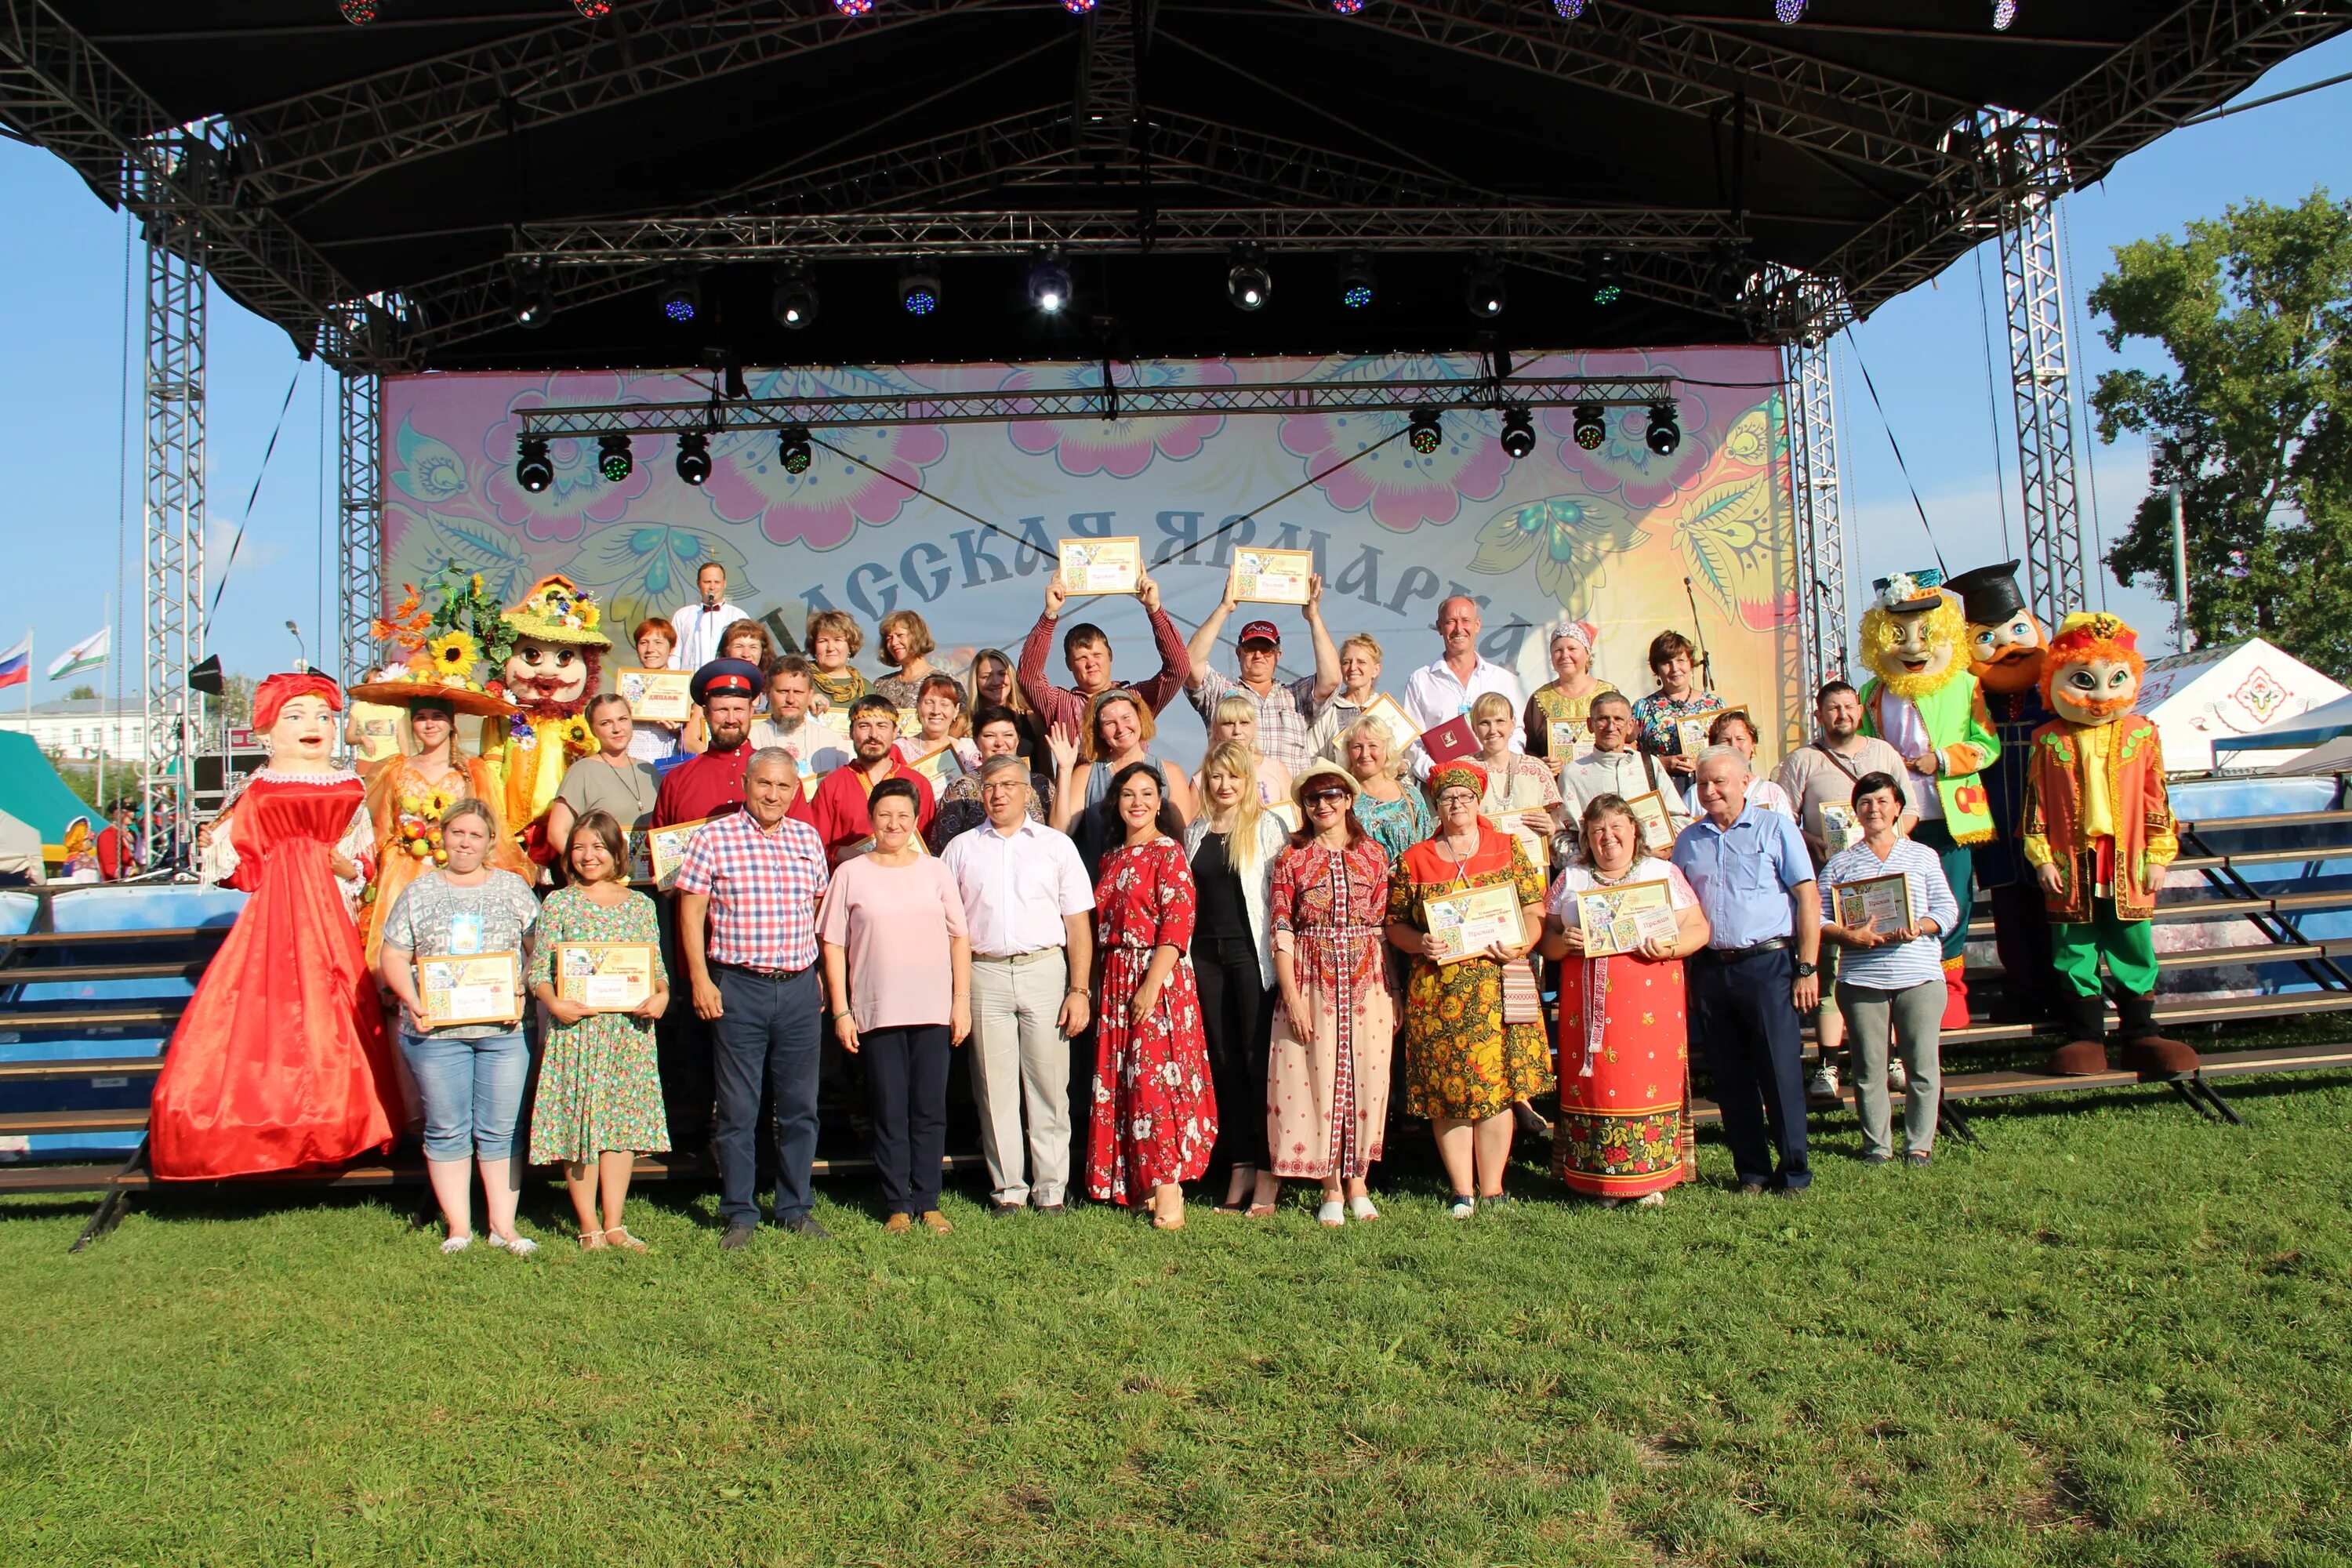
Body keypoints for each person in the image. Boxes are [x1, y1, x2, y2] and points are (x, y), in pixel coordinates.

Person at [149, 673, 397, 1181]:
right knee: (270, 1010)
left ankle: (338, 1122)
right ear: (267, 731)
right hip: (275, 917)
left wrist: (346, 868)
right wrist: (215, 842)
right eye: (296, 715)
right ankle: (266, 1124)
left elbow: (364, 857)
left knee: (335, 1007)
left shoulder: (349, 784)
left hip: (328, 912)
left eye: (323, 716)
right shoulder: (257, 786)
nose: (313, 725)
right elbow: (231, 853)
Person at [672, 748, 835, 1247]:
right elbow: (691, 912)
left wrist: (821, 973)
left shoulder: (807, 838)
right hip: (738, 987)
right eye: (765, 784)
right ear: (746, 783)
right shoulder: (713, 837)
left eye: (784, 787)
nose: (774, 795)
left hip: (799, 987)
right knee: (740, 1108)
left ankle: (794, 1206)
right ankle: (740, 1211)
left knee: (800, 1107)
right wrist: (700, 979)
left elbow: (817, 909)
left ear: (795, 790)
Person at [377, 797, 543, 1254]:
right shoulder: (419, 891)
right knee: (447, 1127)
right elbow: (392, 954)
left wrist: (521, 991)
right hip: (435, 1032)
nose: (466, 842)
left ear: (491, 841)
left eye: (476, 835)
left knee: (501, 1128)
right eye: (458, 833)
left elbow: (539, 948)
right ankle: (458, 1228)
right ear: (443, 838)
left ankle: (503, 1227)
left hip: (504, 1032)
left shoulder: (512, 889)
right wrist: (412, 1000)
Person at [1384, 760, 1548, 1218]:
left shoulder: (1506, 846)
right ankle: (1461, 1189)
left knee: (1497, 1086)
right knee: (1448, 1090)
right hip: (1439, 991)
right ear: (1435, 805)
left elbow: (1534, 908)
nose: (1456, 805)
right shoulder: (1416, 858)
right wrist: (1421, 943)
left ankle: (1492, 1186)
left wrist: (1521, 943)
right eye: (1447, 799)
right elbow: (1394, 923)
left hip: (1497, 981)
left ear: (1478, 801)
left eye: (1464, 797)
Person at [1538, 794, 1711, 1207]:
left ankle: (1651, 1177)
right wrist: (1564, 943)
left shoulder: (1662, 873)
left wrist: (1670, 946)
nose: (1607, 837)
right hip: (1589, 1005)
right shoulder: (1572, 878)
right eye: (1597, 830)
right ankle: (1598, 1179)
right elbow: (1544, 939)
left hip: (1648, 1000)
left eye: (1616, 827)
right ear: (1586, 837)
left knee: (1644, 1082)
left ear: (1635, 830)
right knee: (1596, 1083)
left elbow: (1698, 928)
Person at [940, 754, 1095, 1215]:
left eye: (1009, 785)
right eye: (990, 786)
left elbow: (1078, 925)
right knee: (994, 1086)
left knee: (1049, 1085)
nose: (999, 794)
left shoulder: (1056, 846)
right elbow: (949, 926)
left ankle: (1050, 1190)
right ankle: (1008, 1189)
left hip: (1045, 970)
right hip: (984, 972)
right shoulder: (961, 849)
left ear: (1028, 791)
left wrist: (1079, 989)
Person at [820, 778, 972, 1232]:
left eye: (903, 816)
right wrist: (842, 1009)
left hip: (932, 1009)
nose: (894, 824)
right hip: (877, 1010)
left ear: (914, 821)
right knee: (888, 1108)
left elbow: (959, 937)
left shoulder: (935, 870)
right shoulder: (851, 873)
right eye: (885, 815)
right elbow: (832, 943)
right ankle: (897, 1203)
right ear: (871, 818)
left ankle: (928, 1199)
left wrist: (960, 1001)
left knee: (929, 1107)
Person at [1671, 746, 1822, 1195]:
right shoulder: (1689, 840)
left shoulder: (1775, 827)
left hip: (1768, 964)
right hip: (1713, 970)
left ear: (1744, 781)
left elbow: (1808, 898)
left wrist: (1808, 967)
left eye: (1719, 781)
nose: (1710, 790)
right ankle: (1751, 1171)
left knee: (1779, 1072)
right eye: (1702, 784)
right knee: (1731, 1077)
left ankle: (1794, 1171)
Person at [527, 810, 671, 1248]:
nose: (588, 856)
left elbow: (656, 968)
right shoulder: (559, 903)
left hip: (628, 1033)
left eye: (598, 847)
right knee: (580, 1125)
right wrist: (554, 1004)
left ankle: (615, 1223)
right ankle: (588, 1225)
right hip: (578, 1032)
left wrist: (661, 996)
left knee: (620, 1125)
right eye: (579, 848)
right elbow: (538, 970)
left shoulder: (640, 906)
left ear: (617, 852)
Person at [1086, 762, 1217, 1228]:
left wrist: (1151, 983)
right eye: (1127, 794)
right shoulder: (1111, 857)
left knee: (1155, 1082)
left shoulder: (1168, 853)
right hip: (1117, 975)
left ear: (1160, 801)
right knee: (1124, 1081)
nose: (1137, 802)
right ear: (1116, 803)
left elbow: (1177, 922)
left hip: (1156, 978)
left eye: (1146, 793)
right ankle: (1136, 1181)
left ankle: (1168, 1188)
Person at [1773, 680, 1914, 1096]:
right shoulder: (1802, 760)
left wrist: (1886, 847)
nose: (1842, 715)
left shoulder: (1884, 753)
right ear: (1819, 715)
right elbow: (1783, 820)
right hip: (1831, 880)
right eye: (1833, 708)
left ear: (1859, 710)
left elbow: (1909, 811)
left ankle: (1891, 1058)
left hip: (1882, 879)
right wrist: (1809, 841)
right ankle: (1829, 1066)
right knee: (1832, 972)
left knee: (1884, 966)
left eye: (1849, 707)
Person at [1268, 764, 1395, 1225]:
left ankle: (1358, 1179)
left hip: (1367, 977)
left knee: (1367, 1075)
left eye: (1332, 795)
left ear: (1348, 799)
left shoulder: (1374, 855)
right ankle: (1330, 1186)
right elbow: (1281, 928)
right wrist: (1293, 996)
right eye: (1313, 798)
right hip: (1312, 973)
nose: (1324, 805)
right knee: (1319, 1076)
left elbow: (1381, 926)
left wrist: (1394, 989)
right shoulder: (1291, 858)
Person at [1820, 771, 1959, 1167]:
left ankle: (1919, 1146)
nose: (1874, 809)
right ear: (1856, 811)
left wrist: (1921, 926)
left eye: (1882, 801)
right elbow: (1817, 920)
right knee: (1868, 1069)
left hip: (1918, 974)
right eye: (1866, 802)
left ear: (1898, 807)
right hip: (1863, 978)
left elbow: (1947, 910)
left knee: (1922, 1066)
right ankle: (1877, 1148)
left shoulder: (1921, 855)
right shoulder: (1842, 864)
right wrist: (1848, 935)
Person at [1181, 741, 1288, 1215]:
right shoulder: (1195, 831)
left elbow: (1281, 901)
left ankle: (1269, 1172)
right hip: (1205, 956)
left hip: (1251, 956)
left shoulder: (1267, 828)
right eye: (1216, 777)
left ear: (1248, 782)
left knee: (1255, 1062)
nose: (1224, 786)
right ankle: (1240, 1165)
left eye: (1234, 777)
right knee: (1222, 1061)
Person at [357, 688, 526, 967]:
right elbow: (378, 824)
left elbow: (489, 821)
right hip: (402, 872)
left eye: (437, 716)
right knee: (400, 949)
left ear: (451, 723)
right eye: (421, 717)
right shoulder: (394, 769)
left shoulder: (472, 769)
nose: (429, 724)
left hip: (458, 867)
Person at [1184, 576, 1338, 775]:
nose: (1258, 655)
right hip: (1234, 800)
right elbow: (1190, 664)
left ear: (1277, 656)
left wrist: (1314, 617)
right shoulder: (1221, 692)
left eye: (1266, 650)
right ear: (1239, 653)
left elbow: (1332, 679)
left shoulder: (1296, 694)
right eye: (1250, 649)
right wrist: (1225, 608)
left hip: (1289, 802)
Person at [1018, 564, 1189, 738]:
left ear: (1110, 655)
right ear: (1069, 664)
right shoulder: (1060, 704)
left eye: (1097, 655)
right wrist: (1050, 613)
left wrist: (1154, 608)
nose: (1091, 663)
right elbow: (1028, 678)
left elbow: (1178, 670)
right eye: (1081, 658)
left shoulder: (1137, 698)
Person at [1046, 688, 1196, 876]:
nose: (1120, 728)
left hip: (1155, 890)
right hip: (1100, 890)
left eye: (1126, 717)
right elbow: (1060, 831)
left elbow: (1185, 842)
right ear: (1100, 732)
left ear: (1140, 718)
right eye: (1110, 723)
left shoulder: (1170, 772)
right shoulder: (1085, 774)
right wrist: (1065, 769)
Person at [1400, 596, 1524, 779]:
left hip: (1497, 782)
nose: (1459, 628)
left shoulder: (1502, 680)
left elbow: (1517, 732)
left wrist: (1502, 769)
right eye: (1451, 621)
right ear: (1439, 627)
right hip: (1441, 789)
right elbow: (1413, 742)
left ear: (1477, 625)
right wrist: (1437, 774)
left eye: (1465, 621)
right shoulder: (1420, 680)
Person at [806, 695, 938, 865]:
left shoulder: (918, 784)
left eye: (882, 726)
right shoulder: (833, 785)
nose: (873, 735)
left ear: (895, 732)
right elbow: (814, 847)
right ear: (851, 732)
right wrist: (838, 853)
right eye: (864, 726)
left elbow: (930, 846)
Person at [1558, 691, 1686, 850]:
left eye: (1618, 719)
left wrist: (1665, 849)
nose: (1611, 727)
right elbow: (1563, 835)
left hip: (1650, 863)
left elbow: (1680, 818)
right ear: (1590, 725)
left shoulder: (1649, 765)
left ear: (1630, 725)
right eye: (1603, 719)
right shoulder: (1573, 773)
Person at [546, 693, 659, 869]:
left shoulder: (649, 770)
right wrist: (593, 868)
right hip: (604, 885)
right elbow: (557, 833)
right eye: (606, 723)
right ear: (593, 729)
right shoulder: (582, 771)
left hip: (650, 884)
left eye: (622, 719)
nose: (617, 728)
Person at [652, 659, 765, 829]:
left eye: (739, 710)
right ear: (705, 713)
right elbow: (657, 847)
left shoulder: (777, 774)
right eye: (722, 710)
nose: (731, 720)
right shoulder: (677, 781)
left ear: (751, 712)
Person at [929, 704, 1051, 851]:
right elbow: (943, 848)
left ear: (1018, 739)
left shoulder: (1040, 784)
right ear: (976, 741)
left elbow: (1059, 831)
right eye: (989, 736)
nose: (1000, 743)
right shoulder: (962, 788)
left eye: (1008, 735)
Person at [1341, 717, 1432, 867]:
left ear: (1386, 749)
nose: (1365, 754)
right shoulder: (1342, 799)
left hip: (1410, 886)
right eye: (1357, 746)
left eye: (1373, 746)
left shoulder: (1410, 795)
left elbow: (1428, 846)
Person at [1630, 630, 1723, 778]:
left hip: (1708, 787)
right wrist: (1662, 763)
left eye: (1681, 660)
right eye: (1666, 663)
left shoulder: (1714, 705)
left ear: (1691, 663)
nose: (1674, 668)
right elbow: (1628, 756)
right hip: (1662, 787)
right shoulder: (1643, 708)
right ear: (1656, 669)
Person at [1523, 620, 1617, 764]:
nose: (1564, 655)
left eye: (1572, 649)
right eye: (1558, 650)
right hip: (1557, 782)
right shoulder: (1539, 699)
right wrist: (1542, 763)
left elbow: (1627, 740)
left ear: (1587, 654)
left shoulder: (1609, 693)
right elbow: (1530, 748)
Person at [683, 619, 781, 753]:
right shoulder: (710, 695)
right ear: (726, 651)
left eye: (753, 647)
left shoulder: (774, 690)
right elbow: (687, 741)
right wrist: (718, 761)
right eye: (739, 646)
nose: (746, 654)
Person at [748, 655, 852, 776]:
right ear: (767, 692)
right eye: (783, 691)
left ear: (810, 694)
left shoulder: (832, 742)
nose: (791, 699)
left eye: (798, 692)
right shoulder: (751, 739)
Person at [1682, 710, 1795, 820]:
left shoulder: (1772, 793)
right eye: (1725, 740)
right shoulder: (1697, 794)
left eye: (1740, 739)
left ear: (1752, 745)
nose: (1733, 746)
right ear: (1713, 746)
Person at [1304, 633, 1387, 765]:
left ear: (1376, 670)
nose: (1353, 667)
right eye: (1346, 662)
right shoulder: (1327, 710)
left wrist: (1402, 769)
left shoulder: (1386, 710)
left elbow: (1401, 758)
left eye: (1361, 662)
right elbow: (1310, 756)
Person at [1200, 692, 1294, 809]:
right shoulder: (1204, 776)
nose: (1237, 731)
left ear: (1254, 727)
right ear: (1216, 730)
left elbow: (1294, 818)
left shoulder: (1277, 770)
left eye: (1244, 723)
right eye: (1229, 723)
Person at [895, 671, 981, 782]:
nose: (936, 711)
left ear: (956, 710)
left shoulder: (969, 751)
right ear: (918, 706)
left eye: (944, 704)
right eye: (929, 702)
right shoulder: (899, 750)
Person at [967, 646, 1044, 761]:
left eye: (1002, 674)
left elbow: (1046, 769)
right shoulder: (965, 724)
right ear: (976, 681)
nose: (996, 682)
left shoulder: (1032, 719)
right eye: (986, 677)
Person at [668, 561, 747, 673]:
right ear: (698, 584)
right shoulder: (683, 615)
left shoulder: (738, 616)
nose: (712, 587)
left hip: (724, 682)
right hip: (691, 684)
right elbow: (675, 655)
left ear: (724, 584)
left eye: (717, 582)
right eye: (707, 582)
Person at [627, 618, 685, 764]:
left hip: (669, 769)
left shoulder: (684, 688)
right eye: (643, 642)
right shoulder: (627, 686)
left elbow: (698, 737)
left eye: (658, 642)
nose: (650, 649)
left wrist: (681, 730)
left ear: (671, 648)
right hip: (632, 768)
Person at [871, 609, 942, 712]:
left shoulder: (944, 680)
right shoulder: (881, 684)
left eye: (900, 635)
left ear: (917, 636)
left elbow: (962, 722)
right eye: (889, 638)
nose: (894, 643)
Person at [805, 608, 870, 710]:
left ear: (851, 645)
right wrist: (802, 703)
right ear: (814, 647)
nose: (831, 648)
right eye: (823, 641)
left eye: (838, 640)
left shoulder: (866, 688)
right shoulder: (798, 680)